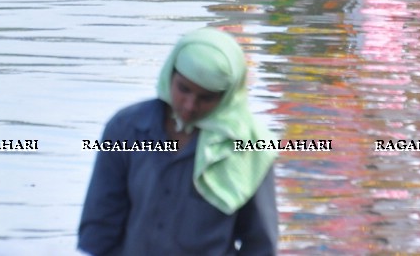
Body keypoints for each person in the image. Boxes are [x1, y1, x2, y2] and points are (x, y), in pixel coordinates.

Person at [78, 27, 278, 256]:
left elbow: (260, 245)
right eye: (183, 89)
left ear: (227, 96)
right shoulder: (126, 130)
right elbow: (100, 226)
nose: (189, 105)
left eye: (206, 98)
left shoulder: (249, 147)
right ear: (169, 75)